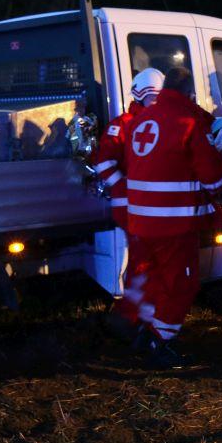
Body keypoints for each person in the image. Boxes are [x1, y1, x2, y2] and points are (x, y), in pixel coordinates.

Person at [120, 66, 222, 367]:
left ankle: (143, 331)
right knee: (182, 284)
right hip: (173, 220)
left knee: (154, 279)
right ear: (189, 93)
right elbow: (213, 176)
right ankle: (161, 340)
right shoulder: (188, 120)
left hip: (139, 220)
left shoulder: (142, 118)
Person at [94, 68, 165, 341]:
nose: (153, 102)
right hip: (131, 207)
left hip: (152, 207)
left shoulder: (159, 122)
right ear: (138, 96)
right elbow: (104, 163)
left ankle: (137, 316)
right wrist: (127, 189)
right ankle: (133, 318)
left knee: (147, 262)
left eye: (157, 97)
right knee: (143, 263)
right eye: (150, 97)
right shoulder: (123, 124)